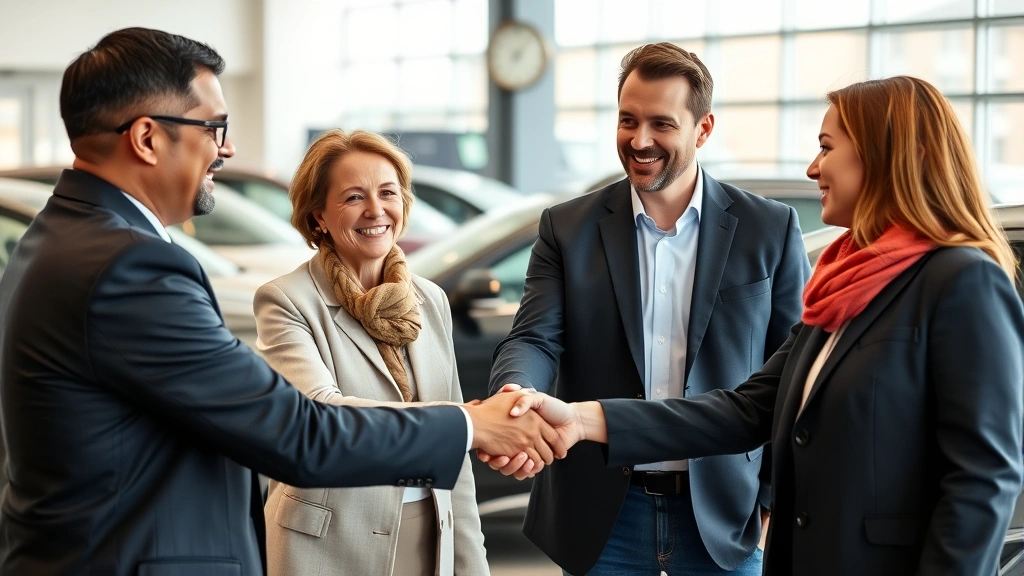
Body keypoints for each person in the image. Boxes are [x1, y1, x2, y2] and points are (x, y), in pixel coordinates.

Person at [0, 27, 561, 576]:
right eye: (214, 127)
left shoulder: (58, 239)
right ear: (147, 138)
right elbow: (296, 430)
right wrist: (468, 426)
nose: (227, 148)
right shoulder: (130, 265)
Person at [502, 75, 1024, 576]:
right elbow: (749, 408)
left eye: (827, 147)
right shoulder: (843, 284)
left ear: (885, 156)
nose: (812, 168)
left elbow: (982, 479)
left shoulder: (962, 279)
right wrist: (579, 419)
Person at [486, 42, 811, 576]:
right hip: (602, 513)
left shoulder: (768, 229)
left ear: (703, 129)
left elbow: (789, 370)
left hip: (724, 515)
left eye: (661, 123)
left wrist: (774, 496)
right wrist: (516, 398)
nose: (639, 141)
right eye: (627, 120)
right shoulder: (566, 228)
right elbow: (535, 338)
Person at [254, 129, 488, 576]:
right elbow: (321, 415)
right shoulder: (285, 300)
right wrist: (465, 424)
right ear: (318, 214)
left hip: (429, 531)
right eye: (354, 197)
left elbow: (457, 454)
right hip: (326, 543)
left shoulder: (431, 299)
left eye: (388, 193)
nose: (376, 210)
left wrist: (472, 564)